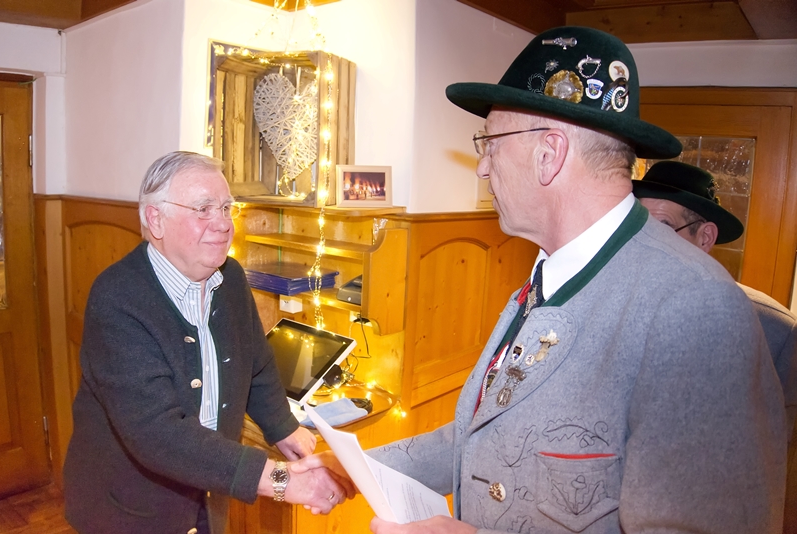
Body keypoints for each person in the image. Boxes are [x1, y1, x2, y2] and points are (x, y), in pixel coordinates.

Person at [301, 26, 787, 533]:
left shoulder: (695, 310)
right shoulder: (548, 272)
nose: (482, 167)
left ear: (549, 153)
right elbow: (482, 437)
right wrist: (356, 468)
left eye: (489, 144)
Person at [63, 151, 352, 534]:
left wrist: (282, 426)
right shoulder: (118, 298)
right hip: (129, 509)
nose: (223, 224)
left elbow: (257, 363)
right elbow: (158, 433)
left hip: (210, 490)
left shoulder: (230, 278)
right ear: (156, 219)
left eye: (226, 208)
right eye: (203, 209)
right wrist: (283, 481)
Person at [633, 160, 797, 532]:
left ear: (705, 238)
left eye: (661, 228)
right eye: (636, 227)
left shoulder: (774, 331)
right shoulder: (609, 305)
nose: (641, 243)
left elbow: (775, 467)